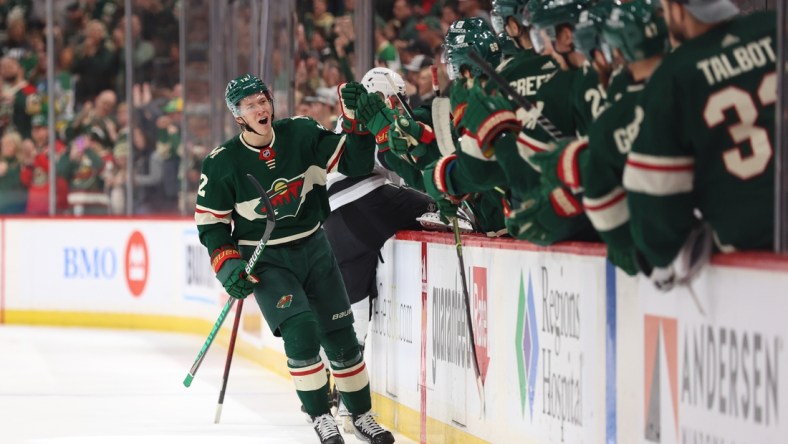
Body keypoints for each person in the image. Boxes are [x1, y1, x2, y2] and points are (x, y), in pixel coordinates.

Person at [195, 73, 395, 444]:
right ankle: (321, 415)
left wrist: (356, 126)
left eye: (263, 100)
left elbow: (353, 163)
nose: (260, 108)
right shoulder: (221, 163)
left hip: (314, 247)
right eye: (249, 104)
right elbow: (212, 225)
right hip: (266, 260)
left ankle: (360, 415)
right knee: (301, 332)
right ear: (237, 115)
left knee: (341, 337)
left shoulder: (301, 132)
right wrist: (227, 263)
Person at [623, 0, 777, 287]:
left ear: (677, 9)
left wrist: (661, 254)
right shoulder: (777, 28)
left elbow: (656, 199)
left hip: (753, 263)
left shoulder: (673, 76)